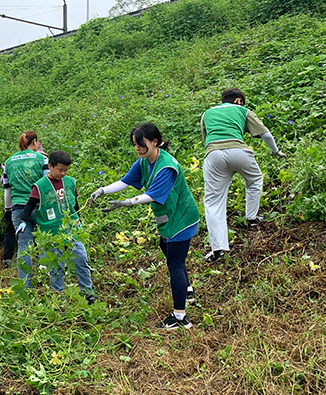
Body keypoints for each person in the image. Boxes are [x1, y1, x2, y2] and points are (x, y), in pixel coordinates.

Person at [91, 123, 200, 330]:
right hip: (169, 218)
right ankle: (187, 290)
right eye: (134, 144)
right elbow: (126, 181)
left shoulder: (166, 167)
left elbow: (152, 195)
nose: (138, 148)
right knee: (167, 248)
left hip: (182, 218)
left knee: (175, 263)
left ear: (155, 142)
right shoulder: (145, 161)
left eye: (141, 143)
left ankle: (180, 317)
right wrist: (102, 190)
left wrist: (126, 202)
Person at [201, 88, 287, 263]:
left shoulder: (206, 114)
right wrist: (276, 152)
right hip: (239, 151)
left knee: (213, 202)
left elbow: (206, 140)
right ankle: (252, 218)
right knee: (254, 180)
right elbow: (266, 134)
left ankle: (217, 250)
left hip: (213, 155)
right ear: (239, 100)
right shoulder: (243, 110)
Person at [18, 151, 96, 304]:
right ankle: (58, 297)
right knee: (55, 267)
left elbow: (74, 204)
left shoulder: (70, 182)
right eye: (60, 170)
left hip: (72, 230)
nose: (63, 173)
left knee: (81, 259)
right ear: (50, 166)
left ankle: (87, 293)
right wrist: (23, 221)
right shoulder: (40, 186)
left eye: (66, 170)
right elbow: (30, 205)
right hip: (51, 233)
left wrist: (78, 219)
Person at [4, 130, 49, 278]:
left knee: (24, 246)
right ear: (35, 141)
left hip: (18, 208)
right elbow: (46, 182)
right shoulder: (41, 158)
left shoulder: (9, 161)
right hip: (39, 207)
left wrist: (7, 208)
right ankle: (45, 276)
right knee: (45, 241)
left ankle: (25, 284)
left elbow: (6, 185)